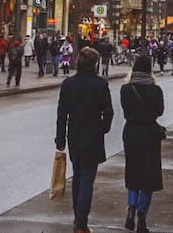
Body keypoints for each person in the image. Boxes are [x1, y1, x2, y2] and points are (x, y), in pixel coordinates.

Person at [55, 47, 114, 233]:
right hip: (93, 136)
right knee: (87, 179)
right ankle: (81, 223)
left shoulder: (68, 84)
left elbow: (62, 114)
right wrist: (103, 128)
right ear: (95, 64)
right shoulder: (100, 84)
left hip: (74, 135)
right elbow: (109, 111)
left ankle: (77, 217)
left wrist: (60, 139)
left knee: (78, 177)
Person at [121, 54, 164, 233]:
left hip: (131, 131)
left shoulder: (126, 89)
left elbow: (125, 109)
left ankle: (131, 207)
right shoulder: (156, 90)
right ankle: (142, 215)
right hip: (150, 133)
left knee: (133, 171)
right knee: (149, 175)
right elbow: (160, 111)